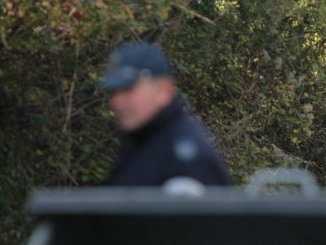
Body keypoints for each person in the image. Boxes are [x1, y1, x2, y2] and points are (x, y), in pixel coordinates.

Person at [98, 41, 231, 186]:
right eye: (113, 92)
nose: (117, 102)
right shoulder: (142, 143)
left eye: (128, 89)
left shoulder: (186, 163)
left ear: (163, 91)